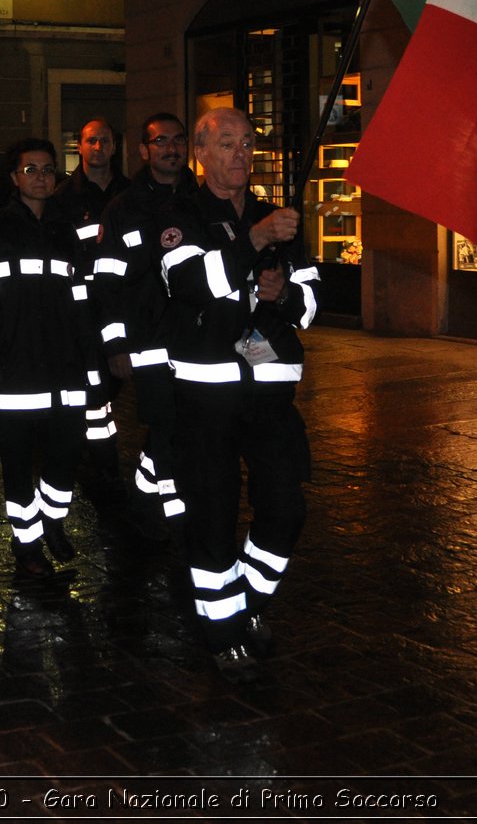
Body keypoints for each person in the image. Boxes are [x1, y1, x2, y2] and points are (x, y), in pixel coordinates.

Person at [159, 107, 320, 681]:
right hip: (207, 396)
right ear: (201, 153)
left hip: (270, 393)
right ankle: (222, 630)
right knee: (213, 515)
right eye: (227, 143)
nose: (241, 153)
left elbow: (311, 301)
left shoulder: (276, 216)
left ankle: (250, 600)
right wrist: (253, 242)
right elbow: (189, 283)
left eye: (249, 143)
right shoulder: (182, 214)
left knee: (285, 506)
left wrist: (281, 296)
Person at [0, 138, 100, 579]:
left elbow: (83, 300)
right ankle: (26, 544)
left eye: (47, 170)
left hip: (64, 366)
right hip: (14, 370)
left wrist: (91, 362)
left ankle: (53, 521)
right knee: (18, 467)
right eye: (31, 170)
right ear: (13, 178)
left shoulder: (66, 231)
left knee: (66, 456)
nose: (41, 177)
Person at [94, 113, 198, 536]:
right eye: (160, 142)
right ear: (143, 150)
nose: (170, 149)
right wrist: (116, 345)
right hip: (149, 343)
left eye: (177, 140)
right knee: (165, 423)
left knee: (191, 426)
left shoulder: (204, 199)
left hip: (198, 341)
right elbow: (105, 283)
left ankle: (153, 497)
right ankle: (163, 511)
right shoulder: (124, 207)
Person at [52, 118, 131, 490]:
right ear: (79, 148)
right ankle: (103, 463)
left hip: (126, 308)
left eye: (105, 140)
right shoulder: (62, 197)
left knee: (114, 387)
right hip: (81, 312)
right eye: (91, 141)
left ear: (114, 147)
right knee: (95, 388)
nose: (98, 147)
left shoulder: (131, 194)